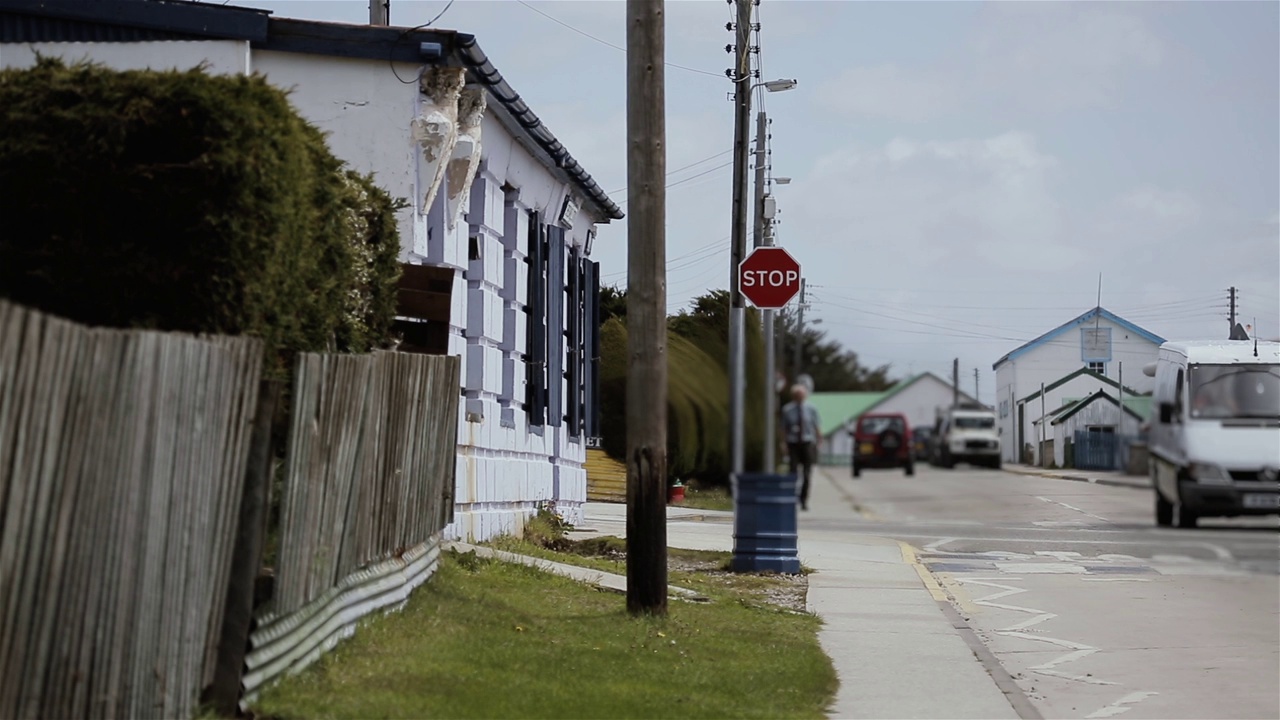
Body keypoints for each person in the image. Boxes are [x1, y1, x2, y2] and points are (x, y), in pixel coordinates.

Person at [779, 384, 822, 510]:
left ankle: (803, 500)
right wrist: (783, 444)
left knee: (807, 473)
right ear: (794, 396)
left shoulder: (811, 409)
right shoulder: (787, 410)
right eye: (797, 395)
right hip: (793, 443)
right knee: (793, 472)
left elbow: (817, 425)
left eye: (802, 395)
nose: (800, 397)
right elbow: (782, 429)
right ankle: (791, 498)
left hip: (807, 442)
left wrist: (819, 440)